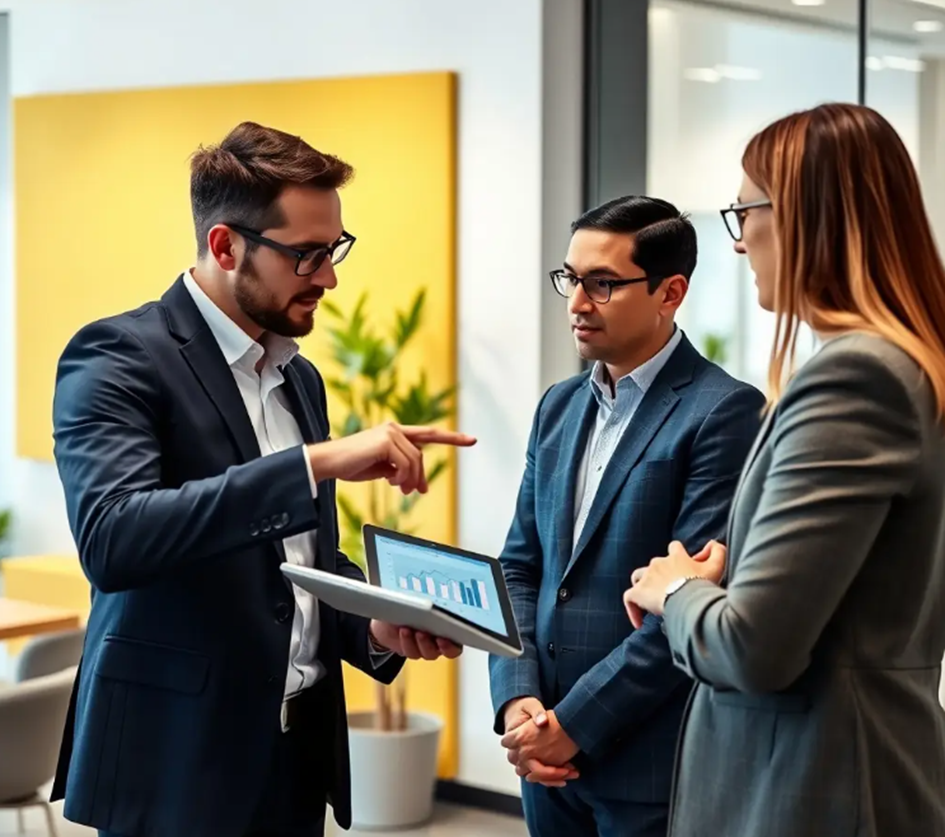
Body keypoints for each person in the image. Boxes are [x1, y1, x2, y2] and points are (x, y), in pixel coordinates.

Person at [50, 121, 474, 837]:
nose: (330, 277)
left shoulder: (297, 377)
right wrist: (313, 463)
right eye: (307, 254)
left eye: (335, 249)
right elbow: (114, 537)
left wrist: (373, 620)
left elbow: (299, 567)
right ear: (225, 246)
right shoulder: (118, 355)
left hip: (294, 754)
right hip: (176, 759)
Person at [626, 103, 945, 837]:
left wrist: (673, 589)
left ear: (804, 216)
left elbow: (751, 648)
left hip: (812, 784)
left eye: (743, 212)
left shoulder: (855, 376)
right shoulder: (902, 365)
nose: (738, 244)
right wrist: (741, 569)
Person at [488, 196, 765, 837]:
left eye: (603, 284)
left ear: (671, 292)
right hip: (543, 752)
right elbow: (520, 568)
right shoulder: (558, 408)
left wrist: (573, 726)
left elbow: (690, 599)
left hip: (646, 762)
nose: (578, 304)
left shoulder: (723, 412)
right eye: (570, 279)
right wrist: (518, 700)